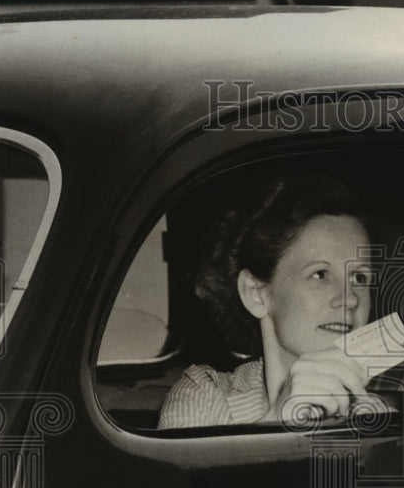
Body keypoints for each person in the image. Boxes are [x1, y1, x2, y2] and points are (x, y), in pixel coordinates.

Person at [159, 175, 377, 428]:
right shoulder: (205, 397)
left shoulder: (385, 411)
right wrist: (276, 422)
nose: (350, 299)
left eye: (360, 277)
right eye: (320, 274)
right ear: (256, 293)